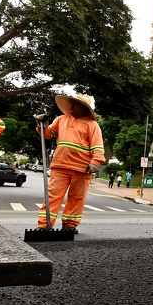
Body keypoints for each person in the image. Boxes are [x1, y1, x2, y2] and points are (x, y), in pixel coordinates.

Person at [34, 93, 105, 231]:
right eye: (72, 103)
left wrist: (95, 163)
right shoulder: (61, 120)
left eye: (76, 105)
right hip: (60, 166)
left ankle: (70, 224)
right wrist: (42, 125)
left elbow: (98, 147)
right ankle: (44, 224)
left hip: (82, 168)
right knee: (52, 196)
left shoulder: (92, 125)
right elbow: (47, 135)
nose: (72, 106)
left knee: (77, 198)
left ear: (84, 108)